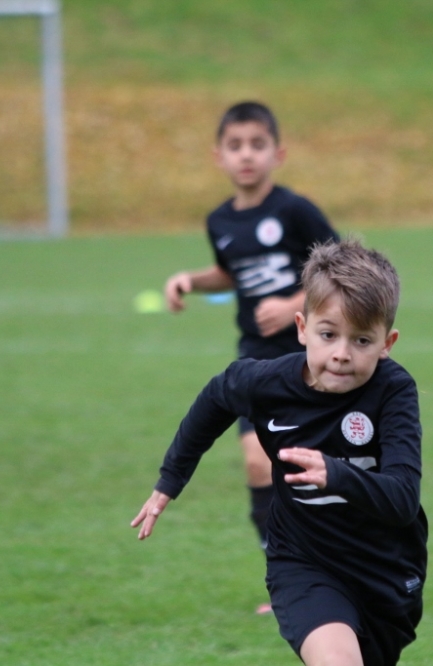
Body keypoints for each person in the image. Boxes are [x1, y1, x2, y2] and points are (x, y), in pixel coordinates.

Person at [136, 239, 427, 666]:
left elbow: (402, 500)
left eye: (362, 340)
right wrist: (170, 479)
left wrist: (336, 474)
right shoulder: (267, 383)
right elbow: (216, 398)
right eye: (328, 335)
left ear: (388, 343)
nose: (341, 354)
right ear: (302, 328)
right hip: (304, 563)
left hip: (383, 569)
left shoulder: (394, 391)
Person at [162, 101, 339, 611]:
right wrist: (191, 281)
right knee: (258, 464)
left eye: (257, 145)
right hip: (257, 360)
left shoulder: (295, 211)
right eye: (235, 146)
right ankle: (286, 581)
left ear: (277, 153)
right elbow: (231, 272)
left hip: (314, 356)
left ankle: (337, 570)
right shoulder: (219, 221)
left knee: (316, 469)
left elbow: (342, 266)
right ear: (218, 156)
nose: (246, 155)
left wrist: (293, 305)